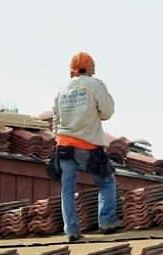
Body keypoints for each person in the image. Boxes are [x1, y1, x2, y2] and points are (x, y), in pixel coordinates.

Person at [53, 51, 118, 242]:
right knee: (106, 181)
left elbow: (55, 119)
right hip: (88, 144)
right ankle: (107, 221)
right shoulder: (94, 85)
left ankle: (71, 231)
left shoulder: (62, 89)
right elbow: (107, 112)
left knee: (67, 189)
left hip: (64, 145)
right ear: (90, 69)